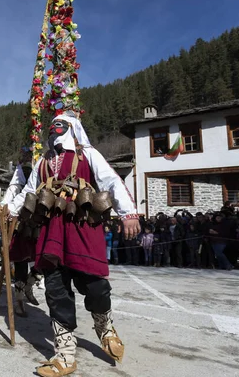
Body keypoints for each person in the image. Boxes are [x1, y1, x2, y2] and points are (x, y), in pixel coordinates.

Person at [8, 112, 140, 376]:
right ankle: (65, 354)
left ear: (71, 128)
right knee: (56, 289)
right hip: (50, 228)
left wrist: (128, 213)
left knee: (95, 285)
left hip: (81, 225)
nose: (54, 129)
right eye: (52, 126)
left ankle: (104, 326)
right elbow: (28, 191)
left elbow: (111, 180)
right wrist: (9, 208)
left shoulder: (87, 153)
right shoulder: (43, 161)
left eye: (60, 125)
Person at [0, 154, 43, 316]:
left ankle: (29, 287)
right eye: (24, 169)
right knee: (20, 265)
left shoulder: (38, 181)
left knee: (41, 263)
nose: (26, 172)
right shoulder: (16, 187)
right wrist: (6, 210)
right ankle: (18, 300)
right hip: (19, 230)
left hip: (36, 228)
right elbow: (6, 203)